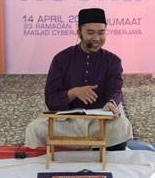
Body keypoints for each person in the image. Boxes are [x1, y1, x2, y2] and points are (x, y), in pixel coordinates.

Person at [24, 8, 134, 150]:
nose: (96, 38)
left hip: (100, 122)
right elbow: (50, 99)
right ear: (79, 33)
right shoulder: (61, 59)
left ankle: (84, 148)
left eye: (101, 32)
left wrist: (111, 103)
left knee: (121, 125)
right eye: (90, 33)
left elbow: (116, 90)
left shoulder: (113, 61)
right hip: (68, 122)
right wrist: (73, 93)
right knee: (35, 128)